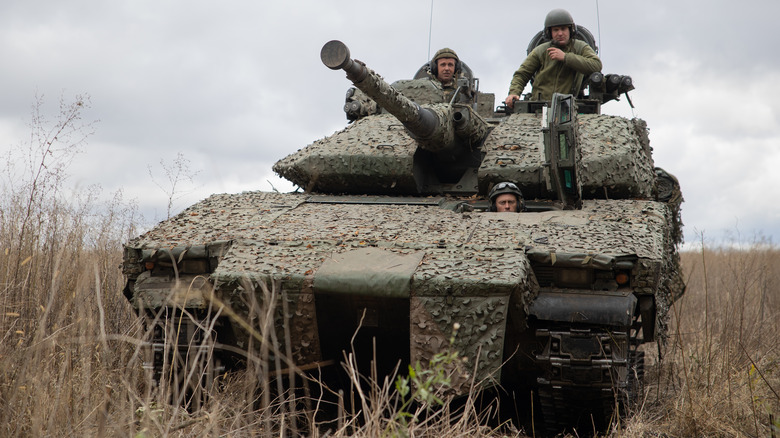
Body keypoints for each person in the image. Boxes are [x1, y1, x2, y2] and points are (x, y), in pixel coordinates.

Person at [504, 9, 602, 107]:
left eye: (563, 29)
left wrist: (566, 57)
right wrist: (514, 92)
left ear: (570, 30)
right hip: (539, 106)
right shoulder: (541, 50)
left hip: (567, 106)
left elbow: (596, 65)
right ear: (549, 32)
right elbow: (523, 73)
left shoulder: (580, 48)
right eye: (556, 30)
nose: (560, 33)